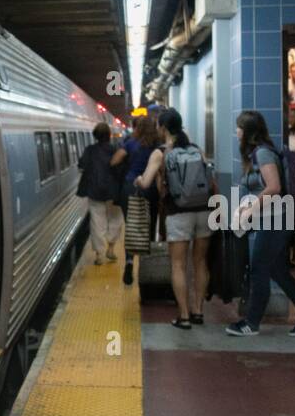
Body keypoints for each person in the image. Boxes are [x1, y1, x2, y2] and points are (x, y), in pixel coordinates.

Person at [225, 110, 295, 337]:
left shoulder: (263, 154)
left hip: (276, 220)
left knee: (259, 268)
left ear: (247, 131)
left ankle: (251, 322)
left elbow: (274, 187)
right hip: (275, 219)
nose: (236, 131)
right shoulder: (259, 153)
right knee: (278, 271)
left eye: (239, 127)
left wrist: (250, 209)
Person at [134, 109, 215, 328]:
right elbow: (210, 180)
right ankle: (198, 311)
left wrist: (139, 180)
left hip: (177, 213)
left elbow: (147, 182)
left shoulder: (161, 153)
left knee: (178, 265)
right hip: (204, 210)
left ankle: (184, 316)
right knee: (200, 263)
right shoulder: (197, 150)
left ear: (162, 128)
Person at [114, 114, 159, 286]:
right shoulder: (156, 146)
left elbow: (115, 160)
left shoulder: (131, 143)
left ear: (138, 128)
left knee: (132, 226)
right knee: (151, 225)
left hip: (130, 187)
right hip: (151, 189)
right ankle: (149, 265)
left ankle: (129, 262)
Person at [77, 122, 124, 264]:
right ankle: (110, 248)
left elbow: (81, 166)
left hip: (95, 191)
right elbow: (122, 169)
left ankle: (99, 255)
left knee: (97, 223)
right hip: (114, 192)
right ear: (109, 135)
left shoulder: (89, 150)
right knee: (116, 219)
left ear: (95, 136)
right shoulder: (117, 149)